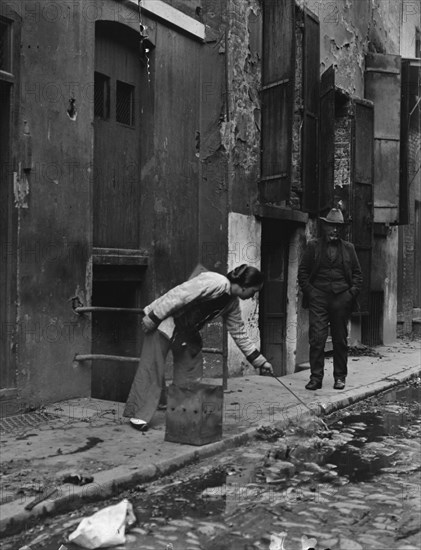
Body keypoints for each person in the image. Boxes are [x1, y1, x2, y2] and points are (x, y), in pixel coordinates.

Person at [124, 264, 273, 430]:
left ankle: (182, 412)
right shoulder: (217, 282)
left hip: (186, 330)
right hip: (165, 320)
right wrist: (153, 317)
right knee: (152, 366)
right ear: (245, 286)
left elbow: (239, 333)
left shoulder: (232, 304)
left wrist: (260, 361)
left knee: (191, 367)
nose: (253, 296)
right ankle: (139, 416)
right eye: (254, 291)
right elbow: (180, 294)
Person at [298, 208, 362, 391]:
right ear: (325, 226)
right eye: (331, 226)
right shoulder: (313, 246)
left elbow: (358, 275)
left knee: (340, 340)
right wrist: (311, 292)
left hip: (342, 299)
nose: (334, 230)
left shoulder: (349, 248)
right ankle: (316, 378)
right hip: (318, 297)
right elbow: (303, 272)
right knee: (317, 339)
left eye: (338, 227)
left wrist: (350, 295)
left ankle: (340, 377)